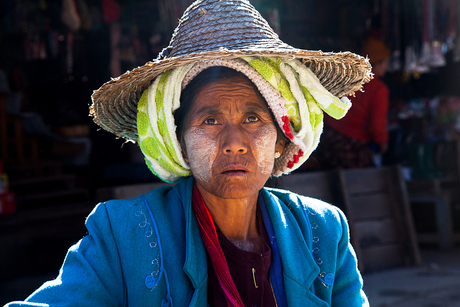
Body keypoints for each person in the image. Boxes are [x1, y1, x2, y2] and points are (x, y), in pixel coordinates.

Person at [4, 0, 373, 306]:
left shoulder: (324, 231)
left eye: (252, 117)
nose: (234, 141)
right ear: (176, 140)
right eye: (210, 120)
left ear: (282, 138)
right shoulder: (122, 235)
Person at [313, 36, 390, 169]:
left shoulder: (346, 77)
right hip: (353, 146)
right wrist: (382, 143)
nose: (387, 66)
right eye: (385, 62)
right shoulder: (378, 89)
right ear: (377, 63)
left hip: (328, 139)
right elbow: (377, 125)